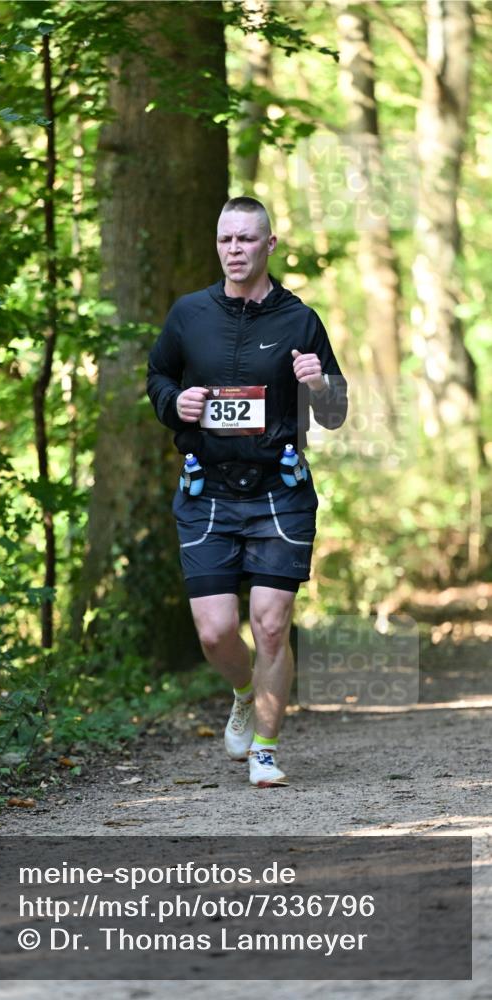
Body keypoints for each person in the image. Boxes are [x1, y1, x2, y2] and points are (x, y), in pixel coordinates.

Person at [146, 196, 347, 788]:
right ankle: (242, 690)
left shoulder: (300, 320)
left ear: (269, 245)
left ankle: (264, 748)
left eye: (246, 240)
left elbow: (334, 414)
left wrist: (321, 383)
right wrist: (171, 404)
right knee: (213, 631)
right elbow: (158, 375)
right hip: (206, 490)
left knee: (271, 624)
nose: (234, 250)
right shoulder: (188, 315)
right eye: (225, 240)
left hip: (278, 491)